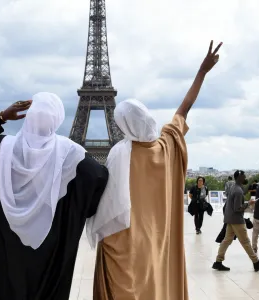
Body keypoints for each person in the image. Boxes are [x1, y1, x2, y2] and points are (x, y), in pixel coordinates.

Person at [88, 40, 222, 300]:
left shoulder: (120, 153)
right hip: (158, 239)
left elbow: (105, 204)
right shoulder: (168, 144)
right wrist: (202, 72)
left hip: (126, 243)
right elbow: (185, 108)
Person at [0, 92, 108, 300]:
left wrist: (1, 116)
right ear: (57, 119)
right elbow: (98, 180)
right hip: (49, 259)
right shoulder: (73, 157)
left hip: (3, 254)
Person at [212, 170, 259, 272]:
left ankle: (218, 262)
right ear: (239, 177)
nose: (245, 178)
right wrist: (250, 203)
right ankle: (256, 262)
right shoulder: (238, 191)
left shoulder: (233, 188)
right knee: (245, 241)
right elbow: (237, 208)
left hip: (230, 218)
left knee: (226, 240)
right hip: (237, 219)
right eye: (244, 177)